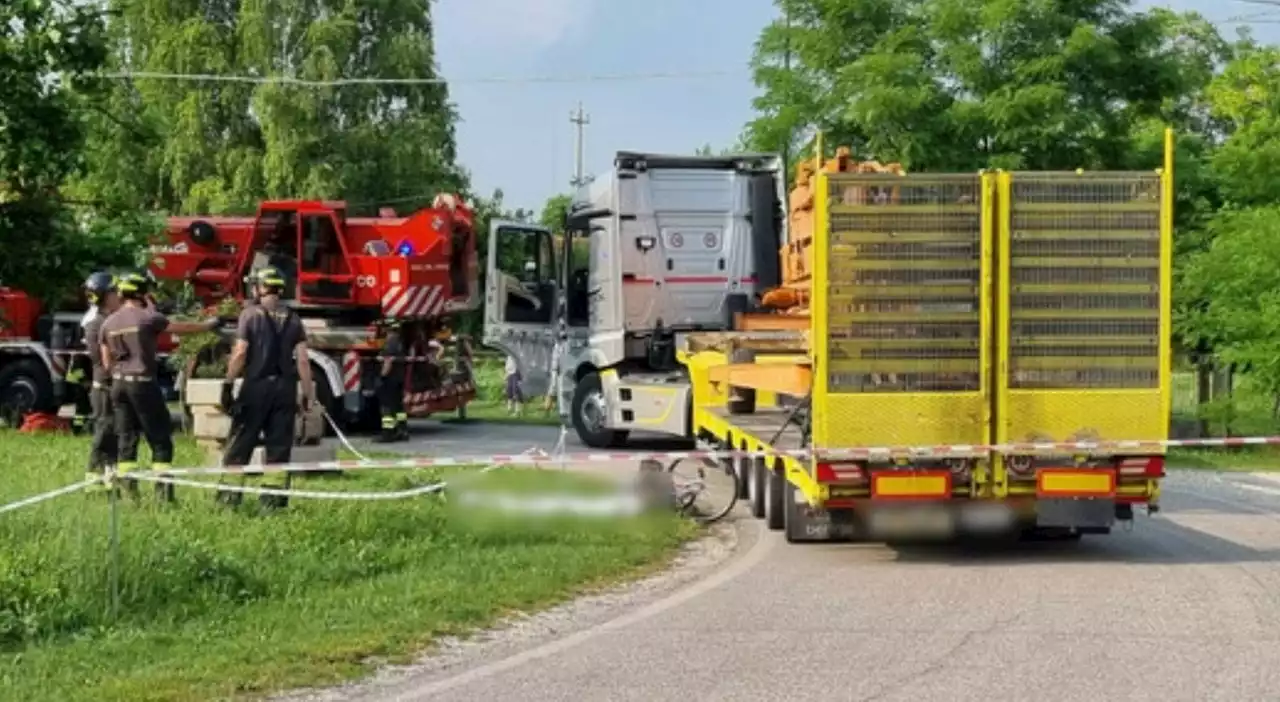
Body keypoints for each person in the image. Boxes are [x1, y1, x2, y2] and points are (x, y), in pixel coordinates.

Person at [218, 265, 314, 510]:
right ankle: (272, 503)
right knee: (279, 448)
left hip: (256, 388)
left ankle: (229, 500)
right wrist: (307, 395)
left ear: (259, 288)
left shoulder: (249, 315)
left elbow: (240, 353)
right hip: (284, 390)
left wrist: (228, 383)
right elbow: (302, 360)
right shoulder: (294, 319)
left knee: (241, 443)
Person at [99, 271, 175, 498]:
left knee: (127, 439)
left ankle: (129, 494)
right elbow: (176, 327)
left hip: (119, 385)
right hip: (143, 383)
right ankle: (164, 495)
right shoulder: (148, 317)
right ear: (143, 293)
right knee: (160, 439)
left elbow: (106, 362)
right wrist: (209, 325)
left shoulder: (108, 322)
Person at [82, 272, 120, 487]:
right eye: (114, 292)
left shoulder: (107, 319)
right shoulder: (95, 323)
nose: (118, 296)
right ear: (104, 296)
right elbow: (102, 358)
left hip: (111, 385)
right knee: (104, 432)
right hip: (103, 387)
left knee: (113, 433)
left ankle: (109, 478)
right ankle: (93, 479)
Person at [374, 319, 408, 443]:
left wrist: (382, 376)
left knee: (386, 408)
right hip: (399, 379)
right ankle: (402, 430)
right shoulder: (399, 341)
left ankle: (387, 434)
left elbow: (387, 362)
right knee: (398, 407)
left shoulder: (390, 342)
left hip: (390, 380)